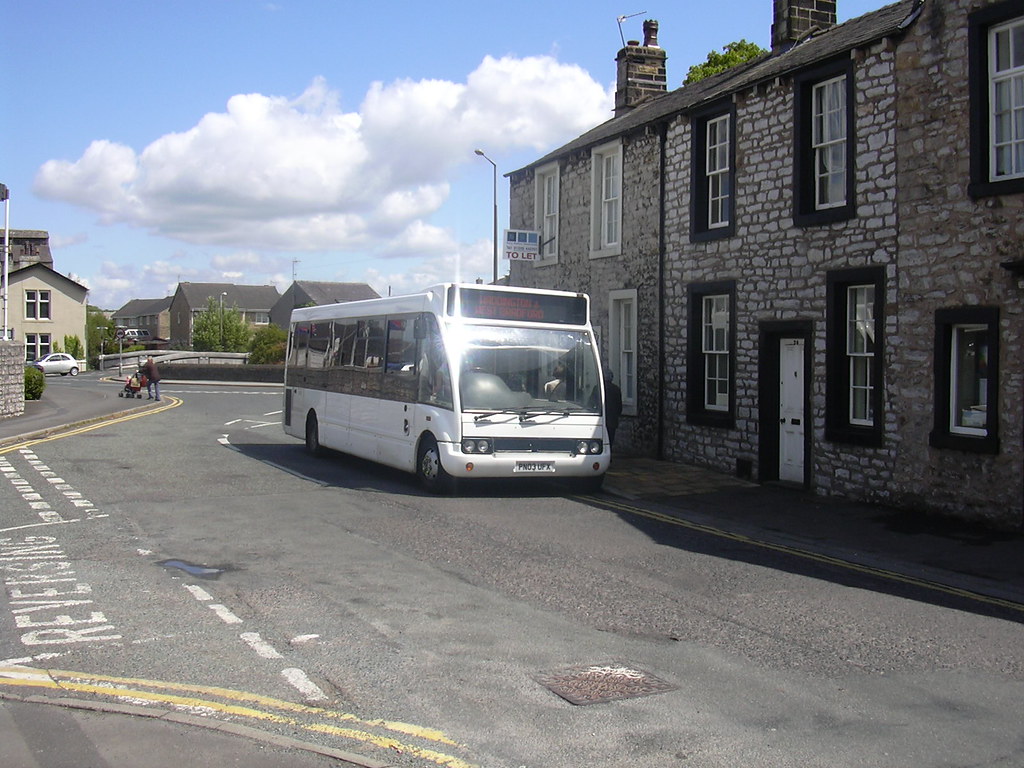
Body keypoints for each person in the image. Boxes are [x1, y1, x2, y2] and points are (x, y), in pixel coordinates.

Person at [603, 371, 623, 446]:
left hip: (602, 419)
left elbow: (592, 403)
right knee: (610, 440)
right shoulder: (616, 389)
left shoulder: (599, 388)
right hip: (612, 420)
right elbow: (619, 406)